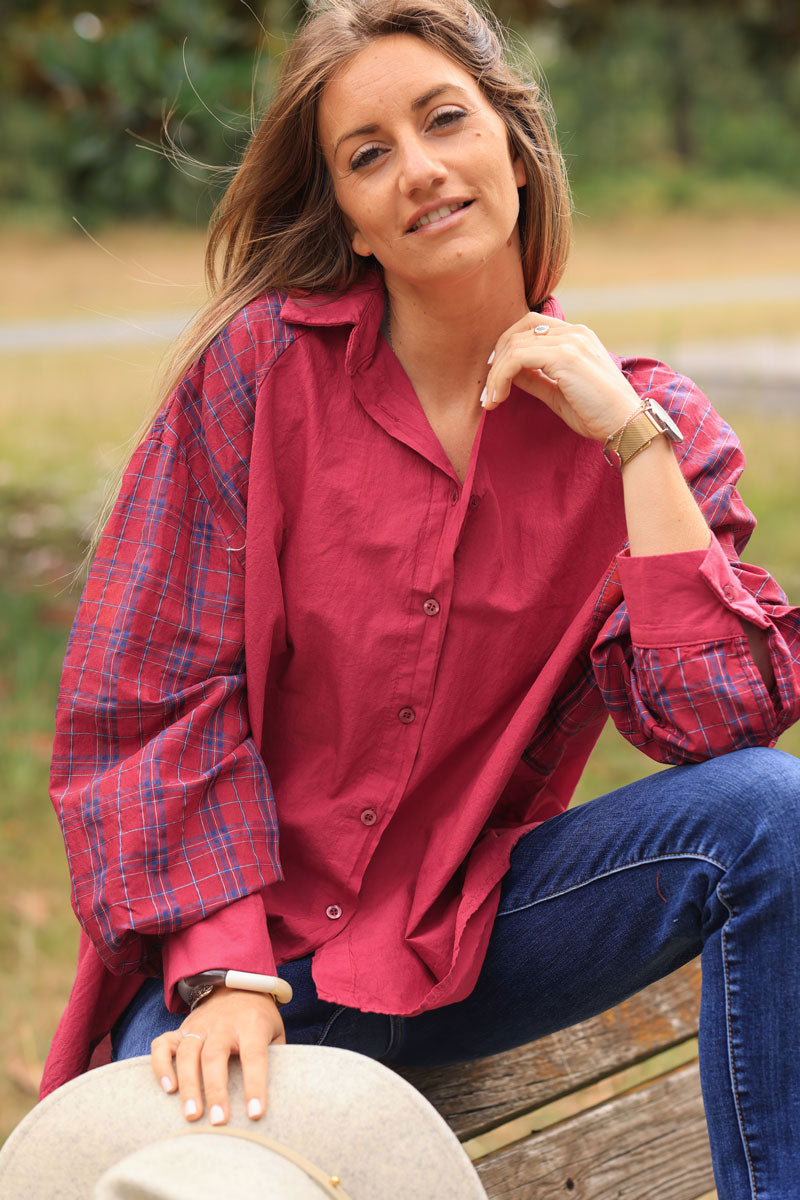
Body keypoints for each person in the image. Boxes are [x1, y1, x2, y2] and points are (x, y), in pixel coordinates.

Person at [42, 0, 800, 1195]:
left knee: (770, 813)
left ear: (511, 137)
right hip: (249, 959)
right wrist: (225, 966)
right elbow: (145, 700)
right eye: (367, 154)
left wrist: (633, 448)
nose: (419, 170)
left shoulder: (645, 423)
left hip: (466, 937)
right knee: (178, 1182)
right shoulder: (257, 377)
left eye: (443, 119)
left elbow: (714, 720)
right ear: (342, 210)